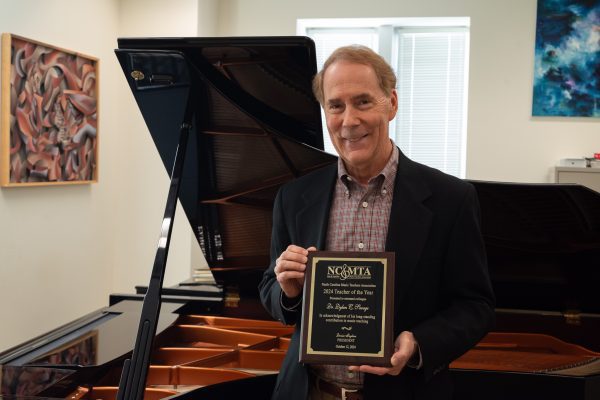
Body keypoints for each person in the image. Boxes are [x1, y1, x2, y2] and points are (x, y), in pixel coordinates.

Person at [259, 45, 495, 400]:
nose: (349, 120)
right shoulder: (294, 198)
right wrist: (288, 290)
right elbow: (269, 289)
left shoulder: (451, 199)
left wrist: (418, 344)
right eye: (336, 106)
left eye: (363, 102)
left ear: (392, 104)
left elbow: (475, 306)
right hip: (309, 391)